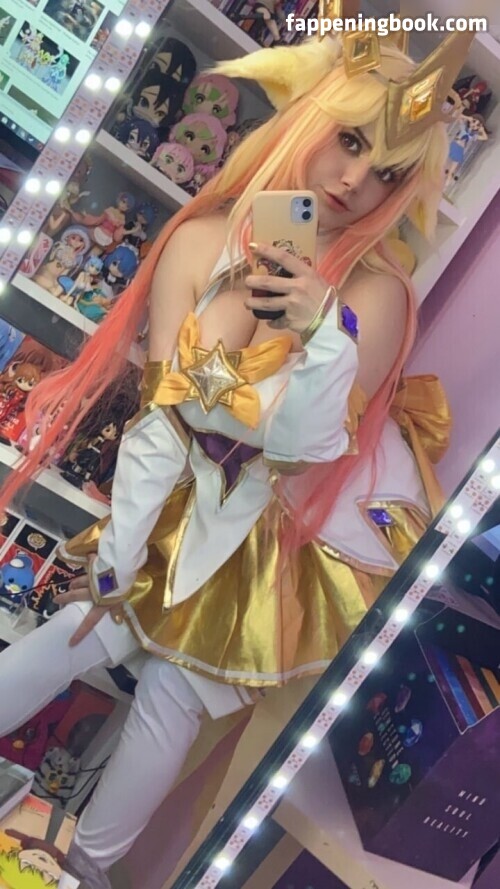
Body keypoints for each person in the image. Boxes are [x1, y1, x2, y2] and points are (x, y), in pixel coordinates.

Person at [0, 29, 461, 874]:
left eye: (389, 172)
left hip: (274, 534)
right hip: (180, 496)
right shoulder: (201, 238)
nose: (355, 179)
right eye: (349, 138)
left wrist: (321, 333)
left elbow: (302, 445)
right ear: (311, 117)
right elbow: (163, 418)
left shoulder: (374, 294)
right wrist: (121, 549)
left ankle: (81, 871)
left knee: (174, 693)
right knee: (82, 629)